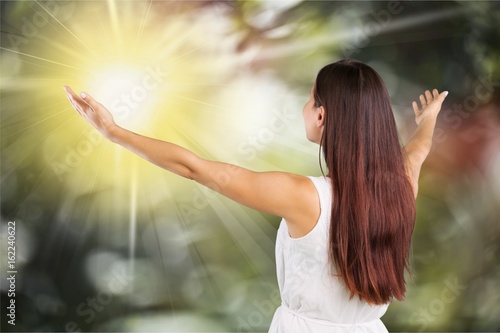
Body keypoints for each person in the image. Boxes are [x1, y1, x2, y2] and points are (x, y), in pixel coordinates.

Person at [63, 59, 448, 332]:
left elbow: (198, 169)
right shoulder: (401, 188)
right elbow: (416, 152)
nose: (305, 106)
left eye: (311, 98)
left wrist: (115, 133)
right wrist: (427, 121)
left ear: (321, 116)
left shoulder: (303, 196)